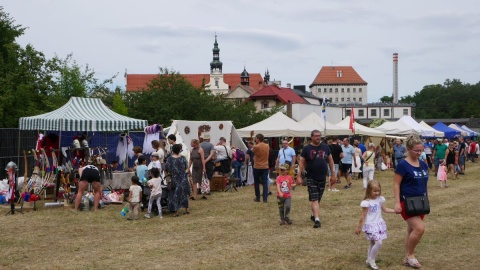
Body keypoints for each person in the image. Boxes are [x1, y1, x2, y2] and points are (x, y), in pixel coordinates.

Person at [393, 134, 429, 269]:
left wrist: (427, 198)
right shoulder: (403, 165)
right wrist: (397, 203)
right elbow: (396, 184)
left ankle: (406, 257)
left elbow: (425, 184)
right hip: (407, 202)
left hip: (421, 202)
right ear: (408, 149)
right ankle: (411, 255)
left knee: (411, 230)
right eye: (416, 150)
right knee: (419, 229)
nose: (419, 153)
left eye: (421, 150)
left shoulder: (423, 165)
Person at [296, 130, 335, 228]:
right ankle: (317, 220)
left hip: (322, 177)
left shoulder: (326, 147)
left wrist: (333, 175)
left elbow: (331, 161)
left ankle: (313, 215)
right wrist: (299, 176)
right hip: (311, 177)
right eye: (316, 136)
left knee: (318, 199)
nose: (318, 137)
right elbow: (301, 163)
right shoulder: (307, 148)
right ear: (311, 137)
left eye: (319, 136)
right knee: (315, 199)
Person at [355, 180, 395, 270]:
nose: (377, 193)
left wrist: (395, 211)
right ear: (369, 190)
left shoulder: (380, 199)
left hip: (378, 224)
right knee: (379, 242)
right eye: (375, 191)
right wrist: (359, 227)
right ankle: (372, 260)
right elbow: (363, 216)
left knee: (373, 243)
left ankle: (369, 259)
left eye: (378, 191)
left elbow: (385, 209)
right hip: (371, 225)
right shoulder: (367, 202)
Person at [166, 144, 190, 216]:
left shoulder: (170, 159)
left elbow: (167, 168)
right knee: (184, 194)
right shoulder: (183, 158)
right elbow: (186, 167)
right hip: (183, 178)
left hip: (175, 178)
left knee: (175, 194)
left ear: (172, 150)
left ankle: (176, 211)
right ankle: (186, 209)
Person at [252, 134, 270, 203]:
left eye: (256, 139)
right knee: (265, 183)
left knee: (256, 182)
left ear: (258, 139)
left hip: (257, 166)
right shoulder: (267, 146)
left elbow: (253, 150)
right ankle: (265, 199)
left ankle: (258, 197)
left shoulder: (256, 146)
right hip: (265, 166)